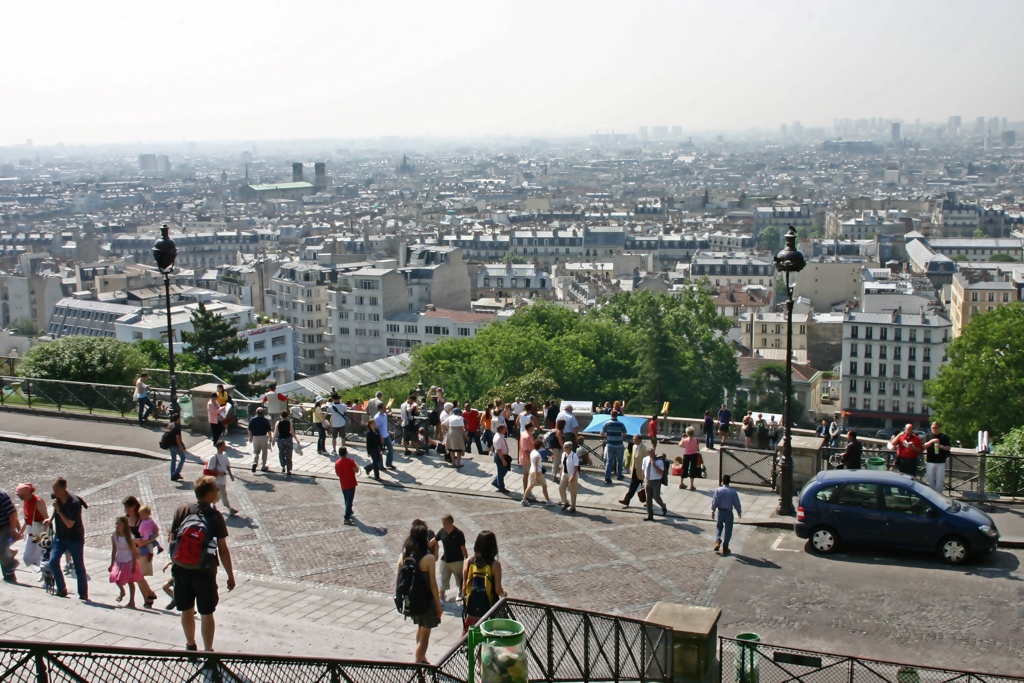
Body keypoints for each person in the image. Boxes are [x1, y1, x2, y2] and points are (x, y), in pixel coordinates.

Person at [169, 475, 235, 652]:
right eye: (216, 489)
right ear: (209, 494)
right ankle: (208, 651)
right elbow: (223, 549)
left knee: (187, 610)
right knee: (206, 613)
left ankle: (190, 645)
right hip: (205, 571)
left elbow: (172, 538)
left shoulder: (182, 509)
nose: (218, 491)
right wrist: (230, 575)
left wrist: (175, 561)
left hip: (181, 569)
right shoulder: (215, 516)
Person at [396, 523, 443, 664]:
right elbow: (433, 585)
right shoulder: (428, 558)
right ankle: (418, 665)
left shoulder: (403, 556)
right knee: (425, 636)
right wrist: (438, 605)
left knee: (420, 627)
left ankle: (422, 659)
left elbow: (398, 579)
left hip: (412, 599)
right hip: (427, 600)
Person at [48, 477, 88, 599]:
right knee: (53, 561)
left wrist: (58, 509)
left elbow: (70, 524)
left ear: (64, 488)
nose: (55, 493)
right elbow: (56, 510)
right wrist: (50, 519)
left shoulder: (74, 503)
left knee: (79, 567)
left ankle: (83, 594)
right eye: (54, 490)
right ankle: (62, 589)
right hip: (60, 536)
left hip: (74, 538)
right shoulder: (55, 497)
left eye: (57, 490)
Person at [462, 530, 503, 632]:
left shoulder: (468, 562)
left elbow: (464, 588)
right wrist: (504, 594)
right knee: (489, 638)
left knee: (469, 639)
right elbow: (498, 590)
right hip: (489, 610)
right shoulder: (495, 565)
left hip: (472, 609)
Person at [123, 496, 159, 607]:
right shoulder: (125, 519)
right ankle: (148, 598)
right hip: (131, 550)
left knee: (138, 575)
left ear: (133, 506)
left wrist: (147, 541)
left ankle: (149, 596)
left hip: (143, 550)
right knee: (137, 575)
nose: (126, 510)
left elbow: (156, 532)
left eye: (127, 507)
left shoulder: (143, 518)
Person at [109, 515, 142, 607]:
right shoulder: (114, 536)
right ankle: (122, 591)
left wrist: (134, 566)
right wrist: (111, 564)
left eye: (119, 524)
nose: (117, 526)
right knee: (114, 577)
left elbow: (134, 551)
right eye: (116, 524)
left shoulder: (129, 537)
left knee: (130, 581)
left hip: (129, 561)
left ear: (124, 525)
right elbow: (114, 550)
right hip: (119, 560)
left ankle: (132, 601)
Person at [15, 483, 48, 570]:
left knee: (41, 557)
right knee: (28, 558)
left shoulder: (38, 502)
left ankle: (46, 576)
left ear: (27, 493)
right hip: (31, 532)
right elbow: (27, 520)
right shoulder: (26, 502)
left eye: (21, 496)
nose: (20, 499)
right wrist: (20, 533)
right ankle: (41, 570)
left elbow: (47, 520)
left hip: (40, 530)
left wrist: (42, 536)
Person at [435, 514, 468, 601]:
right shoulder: (442, 531)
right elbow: (434, 540)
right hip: (445, 560)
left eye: (444, 523)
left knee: (459, 578)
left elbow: (463, 548)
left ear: (450, 523)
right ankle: (441, 597)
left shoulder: (459, 533)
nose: (443, 525)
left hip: (457, 560)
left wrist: (467, 560)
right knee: (443, 578)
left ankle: (460, 592)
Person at [711, 475, 742, 555]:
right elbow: (736, 503)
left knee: (719, 526)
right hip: (728, 512)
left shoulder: (718, 490)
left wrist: (712, 510)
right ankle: (725, 547)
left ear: (722, 481)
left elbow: (715, 501)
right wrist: (739, 512)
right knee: (728, 530)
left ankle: (718, 540)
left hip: (720, 511)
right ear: (729, 482)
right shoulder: (732, 492)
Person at [205, 441, 239, 515]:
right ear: (220, 447)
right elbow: (210, 468)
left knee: (217, 493)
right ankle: (229, 508)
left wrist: (231, 475)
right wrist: (219, 473)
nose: (225, 447)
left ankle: (212, 505)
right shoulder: (214, 457)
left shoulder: (224, 454)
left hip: (222, 480)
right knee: (223, 494)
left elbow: (227, 465)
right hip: (217, 480)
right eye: (224, 445)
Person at [521, 438, 555, 507]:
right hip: (537, 472)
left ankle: (524, 499)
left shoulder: (532, 452)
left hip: (532, 470)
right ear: (540, 446)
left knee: (530, 486)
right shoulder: (537, 455)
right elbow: (536, 465)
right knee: (544, 485)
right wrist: (536, 475)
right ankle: (548, 501)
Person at [619, 434, 647, 507]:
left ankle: (648, 501)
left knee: (645, 488)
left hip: (642, 472)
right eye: (633, 439)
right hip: (635, 470)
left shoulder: (644, 449)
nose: (633, 441)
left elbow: (646, 461)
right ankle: (626, 500)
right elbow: (633, 459)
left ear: (639, 440)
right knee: (632, 487)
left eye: (635, 439)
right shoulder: (634, 447)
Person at [600, 410, 628, 483]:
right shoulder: (621, 424)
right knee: (619, 460)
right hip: (619, 444)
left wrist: (607, 435)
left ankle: (607, 476)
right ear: (617, 415)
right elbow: (625, 434)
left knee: (609, 461)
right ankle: (619, 475)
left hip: (610, 444)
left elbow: (601, 433)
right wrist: (620, 435)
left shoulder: (606, 424)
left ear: (610, 415)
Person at [923, 421, 951, 492]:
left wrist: (941, 446)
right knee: (929, 477)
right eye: (933, 427)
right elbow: (924, 446)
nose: (934, 429)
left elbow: (948, 447)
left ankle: (939, 493)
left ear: (939, 428)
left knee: (940, 478)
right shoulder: (928, 436)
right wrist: (932, 441)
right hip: (930, 460)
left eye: (935, 427)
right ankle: (931, 492)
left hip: (940, 461)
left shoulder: (944, 437)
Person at [161, 413, 189, 481]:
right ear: (178, 419)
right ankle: (176, 473)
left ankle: (172, 474)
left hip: (170, 445)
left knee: (173, 460)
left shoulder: (170, 425)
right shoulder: (177, 427)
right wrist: (180, 447)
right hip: (175, 445)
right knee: (183, 457)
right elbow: (178, 438)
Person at [0, 489, 21, 583]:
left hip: (6, 526)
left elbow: (12, 513)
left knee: (1, 549)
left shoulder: (2, 495)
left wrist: (13, 530)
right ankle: (9, 577)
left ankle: (12, 563)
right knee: (2, 551)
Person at [137, 505, 162, 583]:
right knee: (154, 541)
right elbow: (155, 527)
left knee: (142, 548)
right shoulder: (149, 520)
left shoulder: (146, 523)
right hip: (148, 534)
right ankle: (159, 547)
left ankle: (148, 553)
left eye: (142, 515)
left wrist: (145, 540)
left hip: (145, 536)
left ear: (147, 514)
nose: (140, 516)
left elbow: (147, 531)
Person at [642, 447, 667, 521]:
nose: (651, 454)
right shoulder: (645, 459)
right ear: (647, 453)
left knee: (656, 497)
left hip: (656, 481)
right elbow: (643, 470)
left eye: (652, 453)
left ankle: (663, 506)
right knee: (648, 498)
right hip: (648, 481)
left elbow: (661, 472)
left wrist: (654, 465)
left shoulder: (659, 461)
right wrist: (643, 480)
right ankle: (650, 515)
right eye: (650, 453)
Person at [334, 447, 358, 524]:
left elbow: (338, 474)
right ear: (346, 452)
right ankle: (346, 518)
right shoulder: (350, 461)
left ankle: (349, 511)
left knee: (346, 499)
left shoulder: (337, 463)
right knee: (349, 501)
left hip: (343, 483)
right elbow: (356, 470)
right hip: (351, 483)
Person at [273, 410, 299, 476]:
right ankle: (288, 469)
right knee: (288, 454)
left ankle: (283, 466)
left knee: (281, 453)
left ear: (281, 416)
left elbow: (275, 432)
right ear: (287, 416)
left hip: (281, 440)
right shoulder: (289, 422)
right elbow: (292, 432)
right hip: (288, 439)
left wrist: (273, 440)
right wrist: (297, 440)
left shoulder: (278, 423)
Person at [247, 407, 272, 474]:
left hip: (255, 437)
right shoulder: (265, 420)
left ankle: (255, 462)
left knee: (256, 451)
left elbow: (249, 430)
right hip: (263, 437)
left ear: (256, 412)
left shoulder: (252, 419)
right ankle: (263, 466)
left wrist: (250, 437)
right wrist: (270, 438)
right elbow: (269, 430)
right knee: (264, 452)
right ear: (262, 413)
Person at [559, 442, 580, 513]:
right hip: (564, 474)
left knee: (573, 491)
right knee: (561, 488)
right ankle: (566, 502)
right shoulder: (563, 454)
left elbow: (576, 468)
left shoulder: (574, 456)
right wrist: (560, 473)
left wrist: (572, 476)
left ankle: (573, 506)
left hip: (572, 475)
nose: (563, 448)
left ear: (569, 448)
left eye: (565, 447)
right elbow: (562, 465)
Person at [375, 403, 397, 470]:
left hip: (386, 435)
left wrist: (389, 414)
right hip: (380, 437)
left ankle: (389, 463)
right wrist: (380, 437)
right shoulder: (377, 417)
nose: (385, 409)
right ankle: (380, 466)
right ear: (380, 409)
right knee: (380, 451)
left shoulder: (384, 415)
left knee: (390, 449)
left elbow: (386, 414)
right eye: (384, 408)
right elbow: (376, 429)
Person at [679, 426, 702, 490]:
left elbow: (680, 445)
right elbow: (697, 448)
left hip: (686, 455)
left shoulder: (685, 440)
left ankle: (681, 483)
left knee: (684, 469)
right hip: (694, 454)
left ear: (687, 433)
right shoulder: (697, 440)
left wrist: (683, 439)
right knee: (693, 469)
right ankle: (691, 485)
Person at [491, 423, 511, 493]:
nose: (506, 429)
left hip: (503, 456)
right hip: (501, 456)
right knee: (501, 472)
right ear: (501, 429)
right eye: (505, 428)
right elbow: (499, 450)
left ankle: (496, 482)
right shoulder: (498, 438)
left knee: (504, 471)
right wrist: (503, 460)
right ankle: (501, 488)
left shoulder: (500, 436)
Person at [517, 422, 536, 492]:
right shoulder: (527, 437)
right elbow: (526, 450)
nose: (534, 428)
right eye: (533, 427)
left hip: (524, 458)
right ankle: (528, 492)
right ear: (530, 427)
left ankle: (526, 490)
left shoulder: (524, 433)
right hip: (527, 459)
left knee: (526, 474)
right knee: (531, 476)